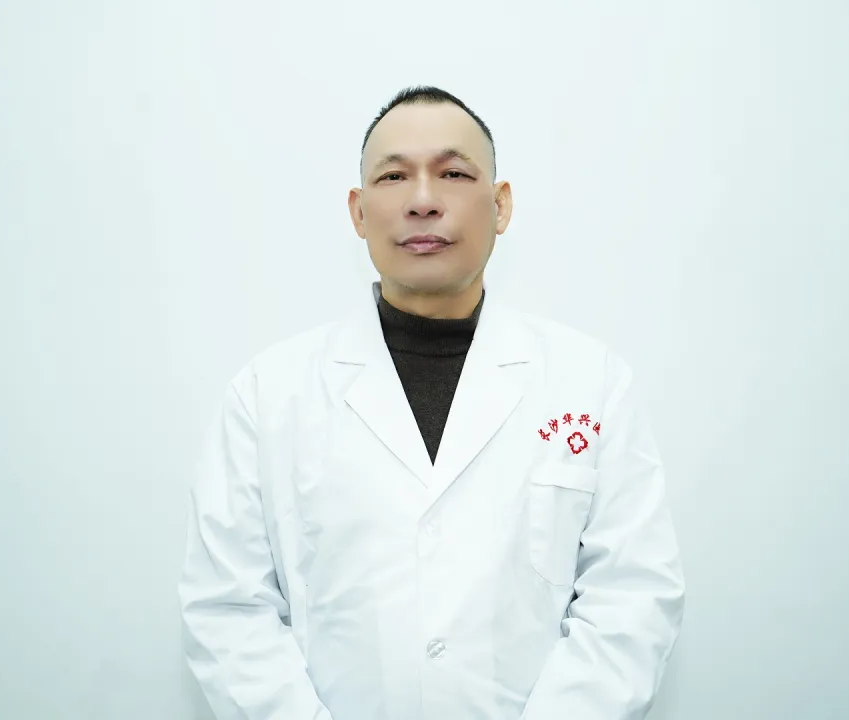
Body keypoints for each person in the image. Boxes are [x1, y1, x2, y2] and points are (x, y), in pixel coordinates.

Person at [178, 85, 685, 720]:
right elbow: (229, 609)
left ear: (500, 205)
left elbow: (631, 598)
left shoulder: (591, 381)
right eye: (394, 177)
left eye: (453, 173)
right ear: (358, 212)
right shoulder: (269, 394)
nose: (422, 201)